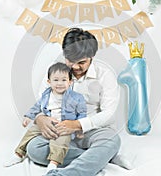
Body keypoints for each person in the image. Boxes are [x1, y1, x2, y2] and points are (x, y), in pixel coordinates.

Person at [26, 28, 133, 176]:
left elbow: (109, 113)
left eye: (82, 62)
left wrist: (77, 125)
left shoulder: (105, 75)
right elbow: (41, 102)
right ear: (64, 55)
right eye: (71, 61)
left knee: (111, 140)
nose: (76, 67)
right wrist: (40, 118)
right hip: (60, 132)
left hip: (93, 131)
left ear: (92, 56)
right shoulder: (55, 71)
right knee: (34, 149)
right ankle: (103, 157)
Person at [4, 62, 87, 173]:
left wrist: (79, 128)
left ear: (70, 82)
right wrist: (29, 116)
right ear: (49, 82)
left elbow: (82, 113)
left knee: (61, 141)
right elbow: (37, 106)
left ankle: (54, 163)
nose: (60, 83)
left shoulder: (76, 98)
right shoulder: (46, 95)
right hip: (48, 124)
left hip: (64, 126)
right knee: (31, 131)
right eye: (56, 80)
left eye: (64, 80)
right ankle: (19, 154)